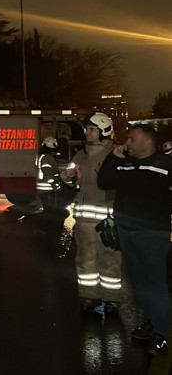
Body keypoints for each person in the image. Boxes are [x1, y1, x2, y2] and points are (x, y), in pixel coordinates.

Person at [99, 124, 172, 355]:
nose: (127, 143)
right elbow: (104, 181)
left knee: (156, 283)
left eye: (132, 139)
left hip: (152, 233)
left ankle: (160, 334)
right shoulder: (126, 164)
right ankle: (151, 323)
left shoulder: (166, 165)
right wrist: (114, 156)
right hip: (126, 231)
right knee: (139, 283)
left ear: (147, 142)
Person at [66, 112, 121, 313]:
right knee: (85, 259)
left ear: (104, 131)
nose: (87, 133)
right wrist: (67, 175)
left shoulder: (114, 154)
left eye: (91, 130)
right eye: (87, 129)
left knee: (111, 259)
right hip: (84, 220)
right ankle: (89, 297)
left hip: (108, 220)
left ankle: (112, 299)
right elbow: (68, 176)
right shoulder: (81, 154)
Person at [36, 136, 63, 211]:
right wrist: (54, 185)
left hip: (43, 189)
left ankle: (47, 221)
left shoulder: (41, 157)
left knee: (47, 210)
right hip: (48, 189)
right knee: (51, 210)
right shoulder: (47, 158)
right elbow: (48, 173)